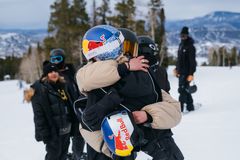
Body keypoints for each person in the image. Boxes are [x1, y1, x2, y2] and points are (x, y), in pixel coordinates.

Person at [76, 25, 183, 160]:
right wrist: (124, 68)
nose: (124, 52)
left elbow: (174, 109)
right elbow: (86, 79)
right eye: (120, 46)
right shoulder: (91, 76)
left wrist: (148, 115)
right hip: (112, 141)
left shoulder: (141, 71)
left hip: (150, 135)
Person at [30, 63, 74, 160]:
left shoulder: (62, 86)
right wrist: (45, 133)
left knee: (63, 155)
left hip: (66, 130)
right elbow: (39, 115)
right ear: (46, 75)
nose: (53, 74)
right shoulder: (41, 90)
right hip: (53, 132)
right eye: (50, 72)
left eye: (55, 71)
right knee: (53, 156)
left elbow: (69, 107)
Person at [49, 48, 85, 160]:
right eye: (53, 60)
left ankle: (76, 155)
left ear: (63, 59)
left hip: (77, 108)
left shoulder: (71, 70)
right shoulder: (52, 75)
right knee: (64, 137)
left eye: (58, 59)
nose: (56, 62)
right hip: (64, 112)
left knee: (79, 135)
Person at [174, 26, 197, 112]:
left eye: (184, 36)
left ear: (187, 35)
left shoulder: (190, 47)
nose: (182, 37)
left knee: (182, 90)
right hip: (181, 72)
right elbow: (179, 59)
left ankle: (180, 109)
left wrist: (191, 74)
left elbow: (192, 62)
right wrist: (176, 69)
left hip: (187, 73)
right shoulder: (181, 45)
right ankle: (190, 107)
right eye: (181, 35)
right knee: (186, 90)